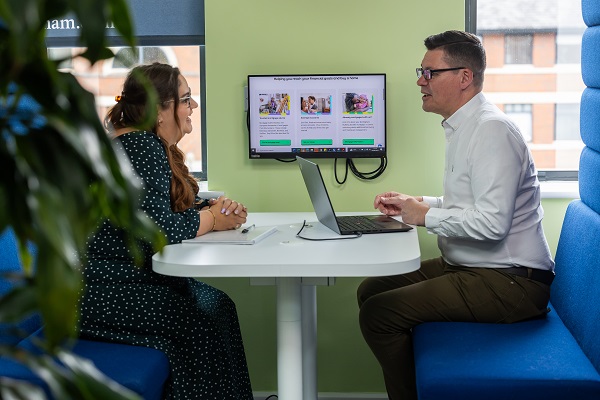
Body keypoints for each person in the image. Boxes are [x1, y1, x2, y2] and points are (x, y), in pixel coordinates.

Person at [357, 30, 555, 400]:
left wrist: (423, 216)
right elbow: (470, 204)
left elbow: (492, 224)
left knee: (378, 314)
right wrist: (417, 202)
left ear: (465, 77)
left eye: (430, 72)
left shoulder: (492, 131)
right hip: (475, 268)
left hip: (511, 284)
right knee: (372, 289)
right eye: (422, 71)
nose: (420, 80)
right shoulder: (464, 127)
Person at [77, 62, 253, 399]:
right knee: (203, 318)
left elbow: (152, 210)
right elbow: (161, 230)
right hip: (103, 290)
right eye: (186, 99)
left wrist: (210, 211)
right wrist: (215, 219)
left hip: (109, 283)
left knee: (217, 306)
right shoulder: (141, 146)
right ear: (161, 110)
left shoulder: (132, 142)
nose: (193, 108)